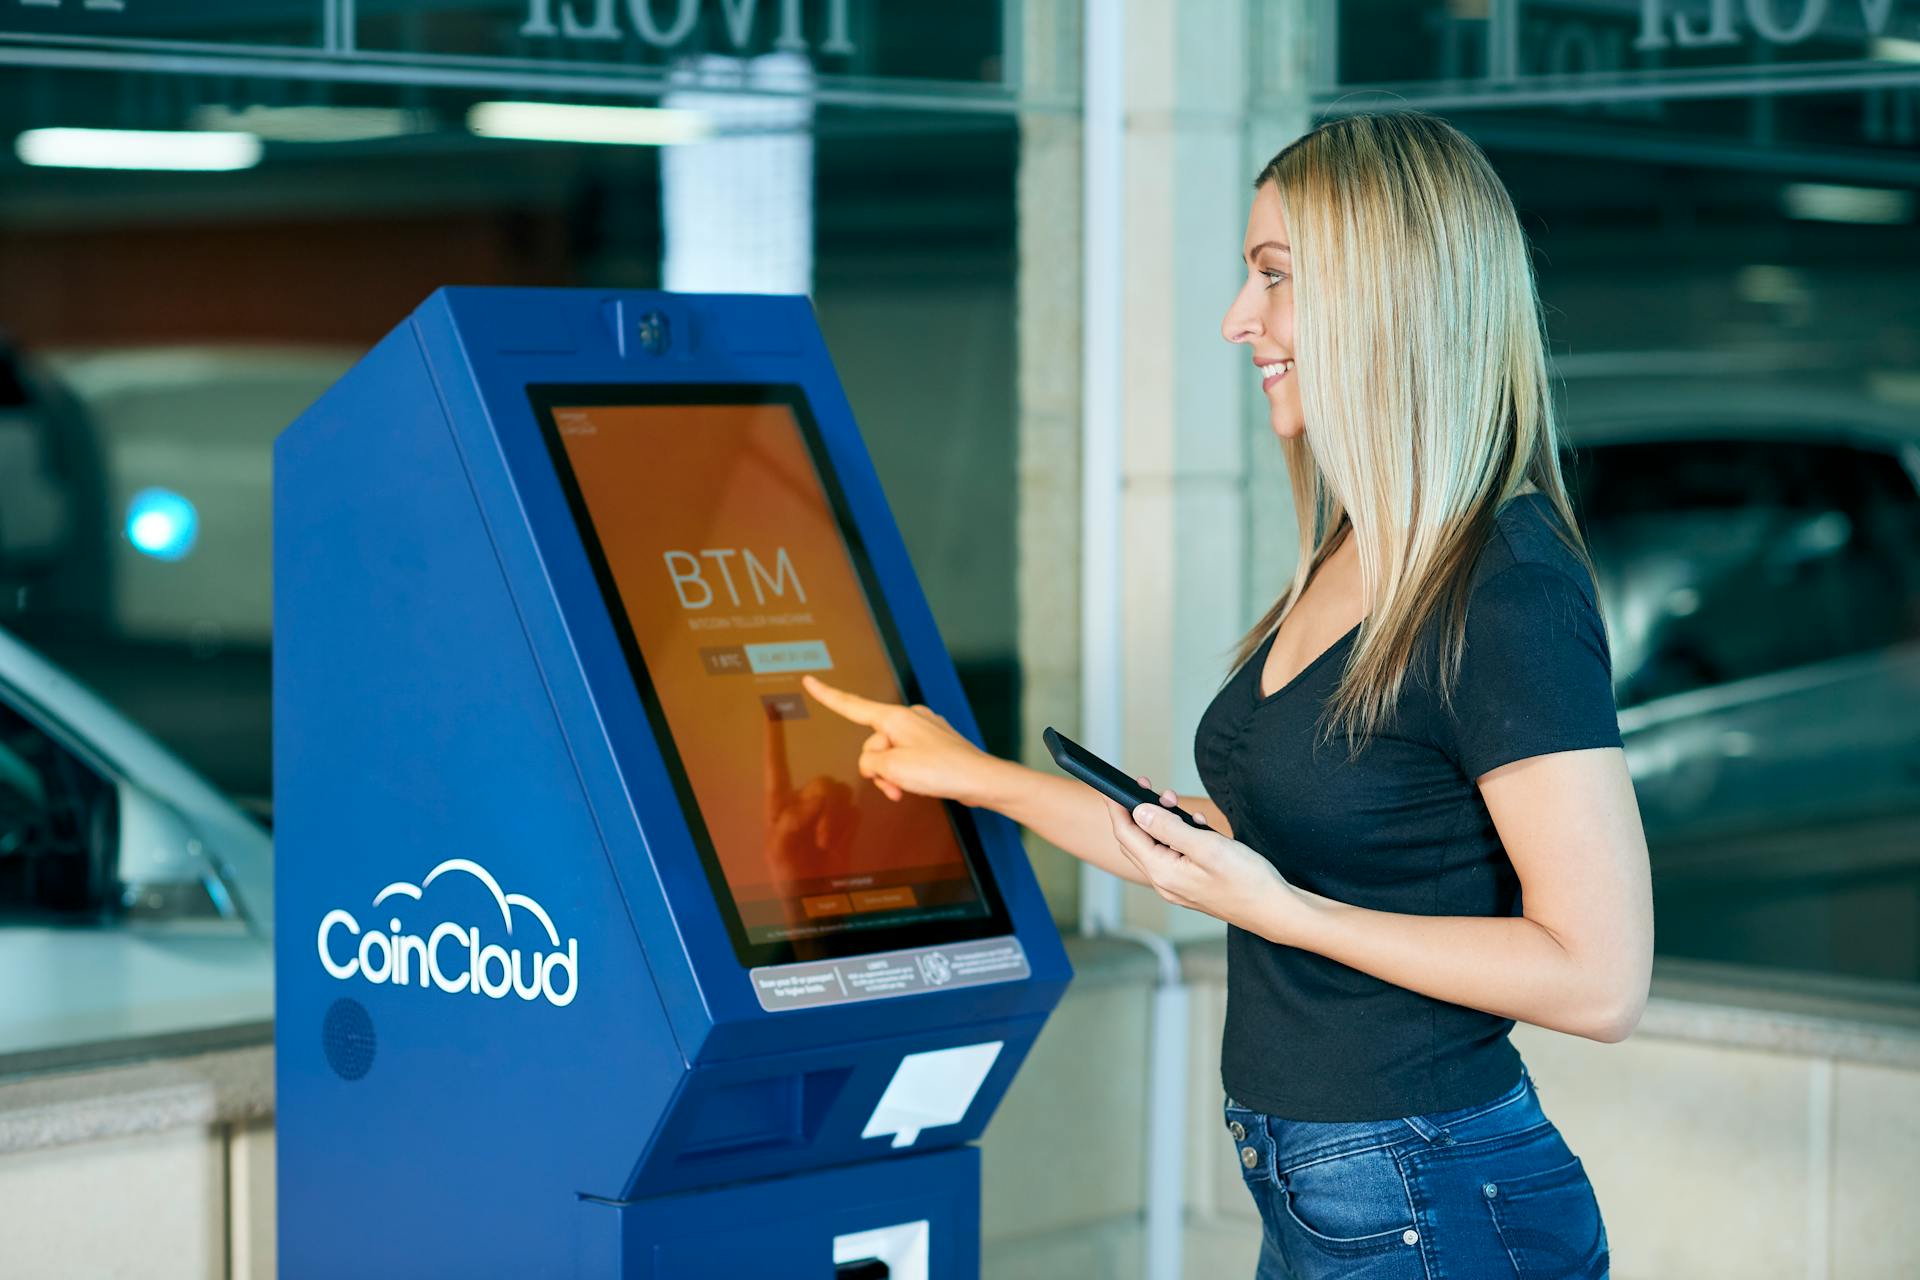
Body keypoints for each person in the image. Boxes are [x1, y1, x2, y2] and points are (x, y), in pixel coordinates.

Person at [802, 110, 1650, 1280]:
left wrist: (1280, 905)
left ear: (1385, 295)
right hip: (1327, 1186)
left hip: (1433, 1192)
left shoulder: (1504, 586)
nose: (1236, 318)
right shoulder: (1360, 549)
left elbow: (1601, 976)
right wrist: (965, 770)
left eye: (1273, 277)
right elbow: (1237, 856)